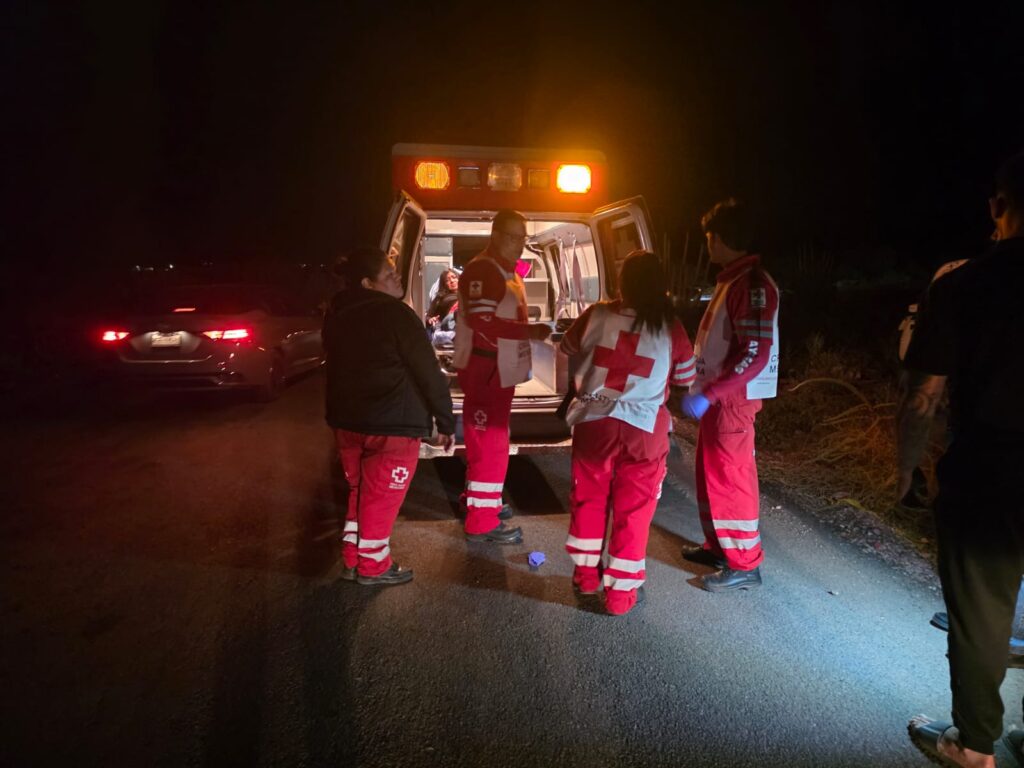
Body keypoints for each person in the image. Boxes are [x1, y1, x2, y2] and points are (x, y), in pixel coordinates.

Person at [901, 151, 1024, 768]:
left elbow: (923, 395)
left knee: (981, 607)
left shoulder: (964, 282)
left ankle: (974, 746)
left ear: (999, 206)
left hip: (992, 466)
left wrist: (906, 469)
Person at [559, 250, 697, 615]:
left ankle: (586, 578)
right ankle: (620, 596)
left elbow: (566, 347)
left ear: (622, 282)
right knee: (633, 511)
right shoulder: (670, 325)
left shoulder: (597, 314)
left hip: (594, 422)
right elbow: (685, 379)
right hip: (644, 430)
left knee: (589, 500)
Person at [324, 247, 455, 586]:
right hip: (392, 425)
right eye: (389, 272)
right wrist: (445, 421)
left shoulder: (337, 313)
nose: (397, 276)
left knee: (359, 491)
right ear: (368, 283)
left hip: (347, 421)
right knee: (380, 499)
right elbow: (427, 371)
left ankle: (353, 558)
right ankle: (374, 566)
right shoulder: (396, 314)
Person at [680, 198, 780, 592]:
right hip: (716, 400)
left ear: (718, 238)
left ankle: (744, 564)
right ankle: (718, 547)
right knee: (710, 477)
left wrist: (713, 393)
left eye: (709, 237)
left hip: (731, 403)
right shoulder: (733, 281)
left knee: (731, 480)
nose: (707, 245)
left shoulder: (752, 285)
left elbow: (755, 353)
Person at [453, 209, 552, 543]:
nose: (519, 244)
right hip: (485, 369)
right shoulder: (484, 269)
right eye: (512, 237)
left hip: (497, 371)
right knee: (489, 443)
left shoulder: (506, 270)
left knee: (492, 440)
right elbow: (483, 324)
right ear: (495, 235)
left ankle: (484, 501)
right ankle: (482, 521)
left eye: (523, 237)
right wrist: (532, 330)